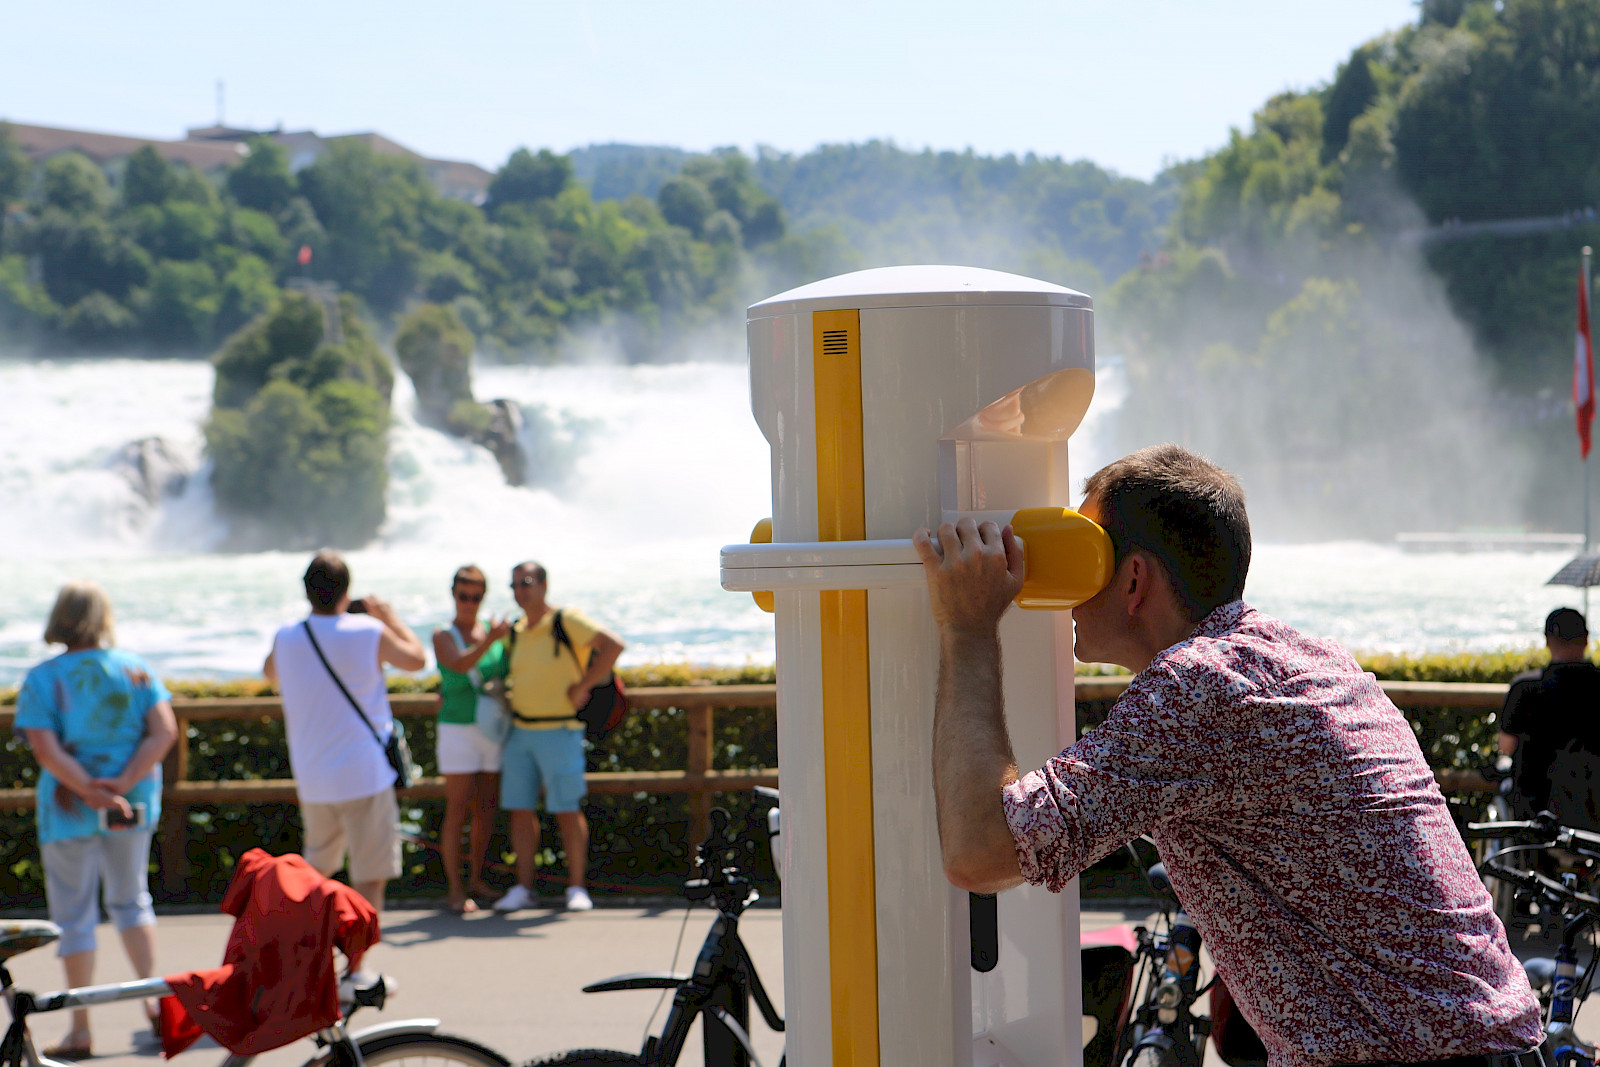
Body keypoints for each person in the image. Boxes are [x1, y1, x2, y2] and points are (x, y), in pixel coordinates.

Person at [914, 444, 1542, 1067]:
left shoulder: (1197, 688)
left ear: (1133, 580)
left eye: (1082, 557)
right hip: (1495, 1046)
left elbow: (981, 849)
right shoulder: (1312, 659)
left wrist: (968, 626)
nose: (1067, 591)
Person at [15, 581, 179, 1060]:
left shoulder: (43, 677)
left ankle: (81, 1029)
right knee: (132, 900)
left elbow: (46, 750)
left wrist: (89, 790)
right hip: (131, 801)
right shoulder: (135, 669)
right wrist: (121, 784)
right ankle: (153, 1005)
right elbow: (163, 731)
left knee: (74, 914)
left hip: (69, 805)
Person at [264, 551, 427, 911]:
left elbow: (269, 672)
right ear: (346, 590)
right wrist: (389, 618)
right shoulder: (368, 631)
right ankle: (360, 947)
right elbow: (417, 659)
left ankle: (311, 945)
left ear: (306, 591)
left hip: (313, 778)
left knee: (316, 876)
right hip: (364, 774)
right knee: (369, 878)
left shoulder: (287, 636)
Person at [492, 561, 625, 913]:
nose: (520, 591)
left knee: (567, 809)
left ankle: (577, 887)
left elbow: (613, 645)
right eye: (514, 585)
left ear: (544, 585)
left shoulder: (567, 620)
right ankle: (524, 888)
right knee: (520, 810)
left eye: (526, 583)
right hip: (520, 731)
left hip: (561, 730)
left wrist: (584, 685)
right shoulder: (515, 630)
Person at [430, 565, 512, 914]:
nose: (469, 603)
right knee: (457, 810)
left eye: (476, 597)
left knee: (486, 808)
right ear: (453, 594)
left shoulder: (493, 634)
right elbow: (459, 665)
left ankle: (477, 880)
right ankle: (455, 889)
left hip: (491, 728)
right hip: (458, 729)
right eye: (463, 595)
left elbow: (506, 673)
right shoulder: (443, 635)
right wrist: (491, 641)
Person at [1498, 607, 1600, 822]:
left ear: (1548, 641)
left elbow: (1506, 746)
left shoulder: (1524, 689)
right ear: (1586, 639)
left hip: (1534, 811)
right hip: (1595, 810)